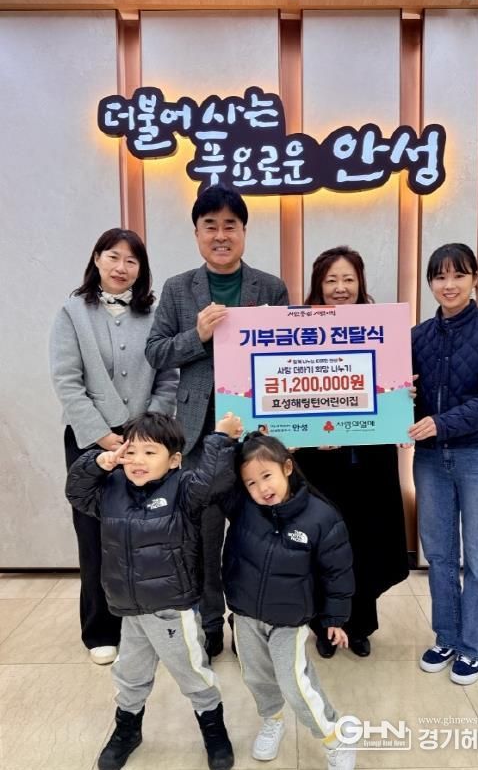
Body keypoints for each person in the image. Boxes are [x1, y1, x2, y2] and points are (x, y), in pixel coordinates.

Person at [145, 185, 289, 660]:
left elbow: (286, 356)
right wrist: (197, 335)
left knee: (255, 537)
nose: (221, 235)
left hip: (254, 439)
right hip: (198, 440)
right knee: (202, 541)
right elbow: (155, 351)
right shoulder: (177, 288)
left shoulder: (270, 287)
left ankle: (247, 622)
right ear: (197, 234)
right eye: (211, 226)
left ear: (244, 231)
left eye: (231, 225)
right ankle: (208, 624)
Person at [65, 411, 243, 770]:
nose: (138, 461)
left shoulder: (184, 489)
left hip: (172, 609)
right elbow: (77, 493)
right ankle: (127, 729)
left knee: (192, 673)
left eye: (150, 452)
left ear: (173, 460)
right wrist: (97, 462)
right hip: (130, 611)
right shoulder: (110, 490)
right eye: (131, 452)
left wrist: (221, 438)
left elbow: (213, 481)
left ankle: (213, 727)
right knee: (130, 674)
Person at [49, 228, 178, 665]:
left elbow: (168, 377)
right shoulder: (72, 312)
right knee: (94, 534)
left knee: (145, 533)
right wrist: (104, 436)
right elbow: (67, 381)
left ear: (141, 269)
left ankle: (147, 626)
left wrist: (148, 431)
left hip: (146, 441)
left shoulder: (155, 315)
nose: (122, 267)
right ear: (97, 259)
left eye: (132, 260)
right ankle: (100, 630)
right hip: (90, 440)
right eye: (113, 257)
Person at [409, 243, 478, 685]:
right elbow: (401, 393)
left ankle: (473, 647)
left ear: (475, 278)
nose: (448, 285)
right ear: (430, 283)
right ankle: (447, 637)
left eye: (458, 275)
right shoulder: (417, 336)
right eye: (439, 276)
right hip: (430, 460)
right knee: (439, 555)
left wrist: (441, 423)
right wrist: (401, 400)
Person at [295, 246, 409, 659]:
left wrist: (403, 400)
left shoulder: (381, 329)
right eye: (331, 280)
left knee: (366, 539)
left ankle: (359, 625)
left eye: (348, 279)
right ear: (318, 286)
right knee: (323, 543)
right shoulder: (299, 328)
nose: (340, 288)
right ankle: (325, 627)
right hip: (318, 460)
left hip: (369, 459)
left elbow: (393, 387)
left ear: (360, 283)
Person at [220, 432, 356, 770]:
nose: (261, 488)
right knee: (256, 677)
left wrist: (335, 618)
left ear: (287, 467)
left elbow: (337, 573)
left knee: (295, 684)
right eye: (251, 483)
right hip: (246, 614)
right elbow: (213, 481)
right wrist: (225, 440)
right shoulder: (241, 505)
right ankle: (273, 720)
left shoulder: (321, 517)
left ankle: (334, 736)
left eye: (267, 476)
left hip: (289, 620)